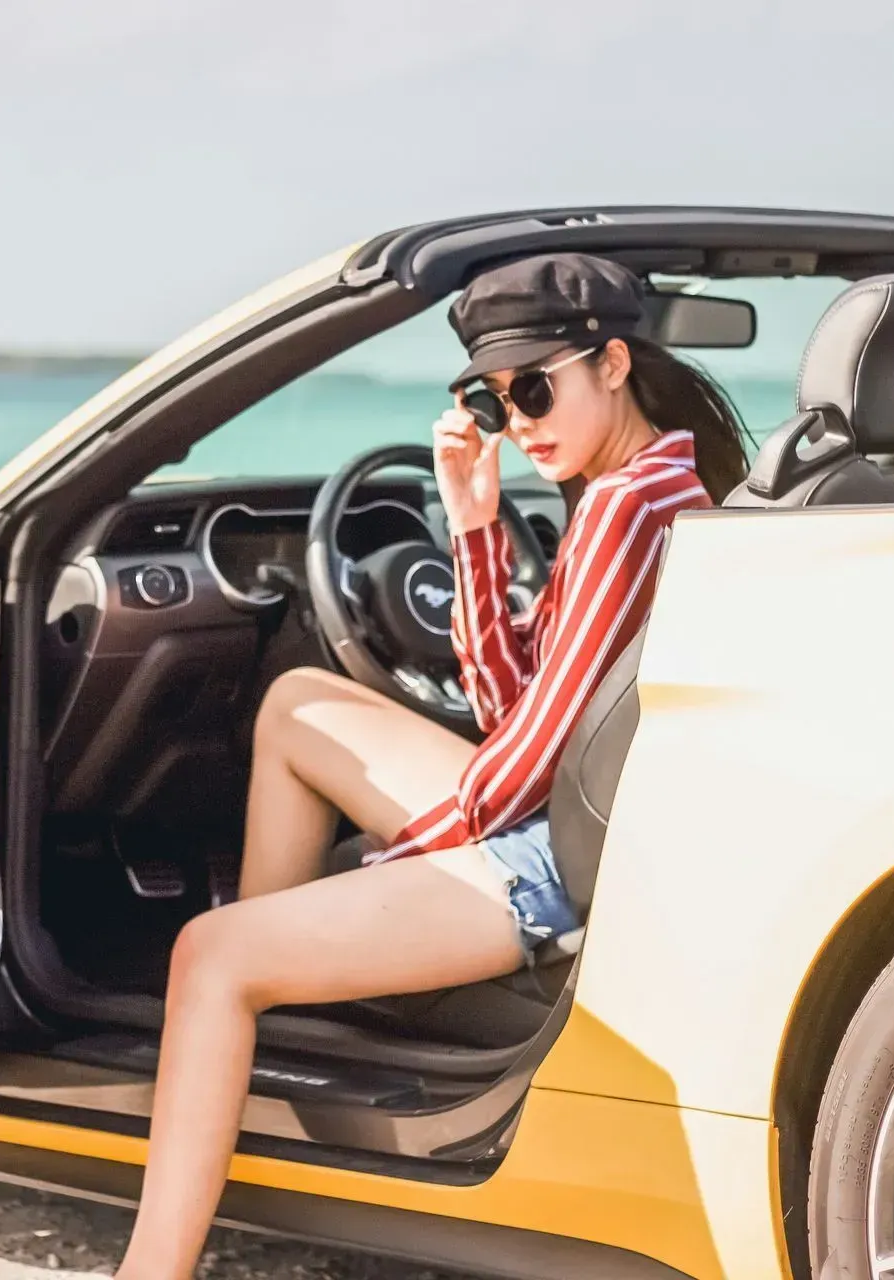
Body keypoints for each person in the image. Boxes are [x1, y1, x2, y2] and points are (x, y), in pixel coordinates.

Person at [112, 253, 751, 1279]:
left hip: (557, 861)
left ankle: (154, 1259)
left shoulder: (627, 510)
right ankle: (274, 1008)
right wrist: (473, 523)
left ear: (616, 363)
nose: (520, 420)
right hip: (576, 813)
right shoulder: (666, 478)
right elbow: (513, 710)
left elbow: (526, 760)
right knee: (295, 704)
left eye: (535, 388)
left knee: (207, 953)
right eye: (496, 401)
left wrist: (388, 860)